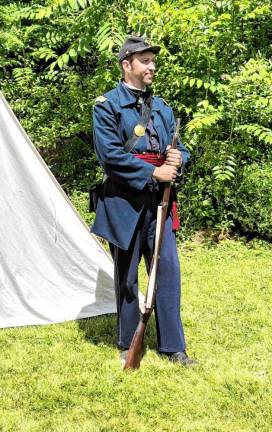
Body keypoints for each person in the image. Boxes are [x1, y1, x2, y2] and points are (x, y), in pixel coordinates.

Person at [91, 36, 196, 366]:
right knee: (127, 276)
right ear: (127, 65)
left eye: (153, 61)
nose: (152, 66)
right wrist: (153, 174)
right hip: (124, 201)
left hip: (161, 202)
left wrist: (179, 160)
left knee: (167, 271)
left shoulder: (162, 107)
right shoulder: (106, 106)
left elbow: (181, 149)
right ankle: (127, 341)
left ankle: (173, 347)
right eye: (145, 61)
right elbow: (110, 157)